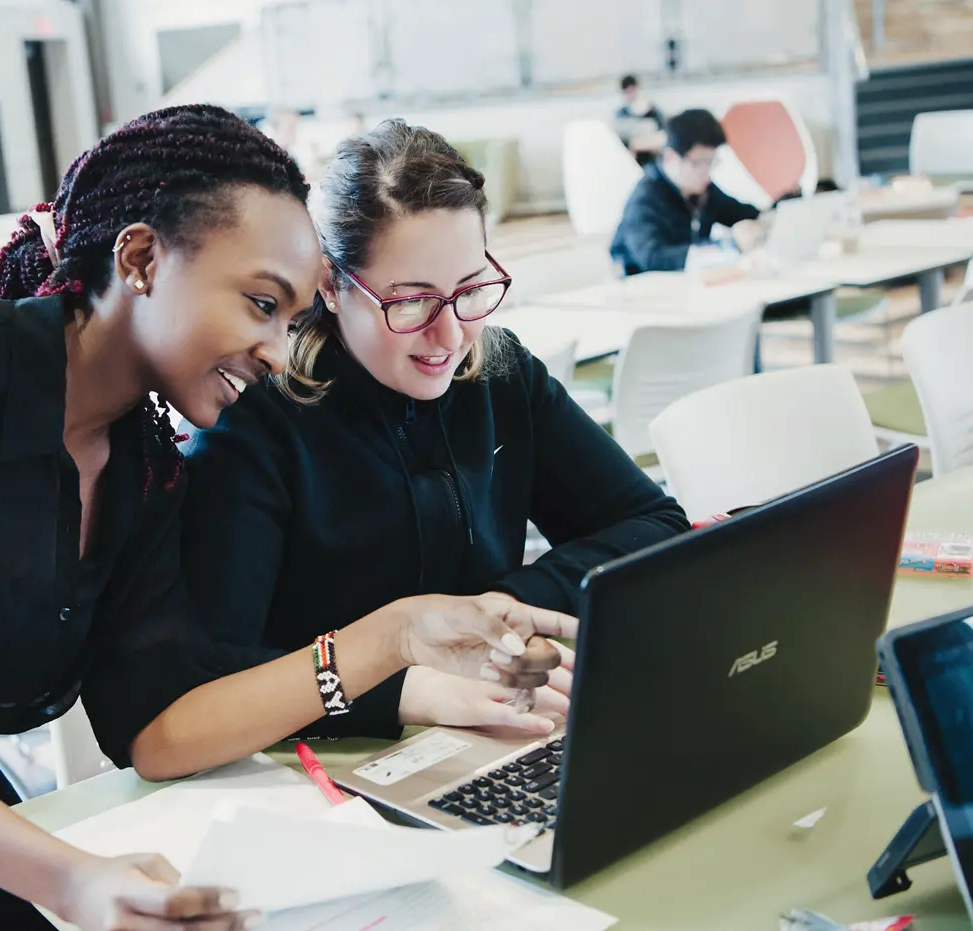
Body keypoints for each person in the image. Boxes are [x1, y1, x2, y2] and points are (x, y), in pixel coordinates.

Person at [0, 104, 563, 931]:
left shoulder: (146, 464)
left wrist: (395, 635)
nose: (278, 351)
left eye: (292, 319)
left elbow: (158, 721)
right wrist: (71, 877)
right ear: (138, 260)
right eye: (259, 303)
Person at [129, 119, 688, 778]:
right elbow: (216, 677)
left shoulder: (500, 371)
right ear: (332, 286)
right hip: (312, 770)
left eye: (471, 289)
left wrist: (489, 613)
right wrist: (400, 684)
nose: (450, 334)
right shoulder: (255, 422)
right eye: (412, 300)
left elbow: (653, 525)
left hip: (484, 734)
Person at [610, 108, 762, 275]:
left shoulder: (703, 191)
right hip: (641, 290)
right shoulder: (645, 198)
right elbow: (652, 257)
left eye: (711, 162)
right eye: (699, 163)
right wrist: (727, 246)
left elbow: (745, 214)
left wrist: (778, 207)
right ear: (671, 157)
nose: (706, 171)